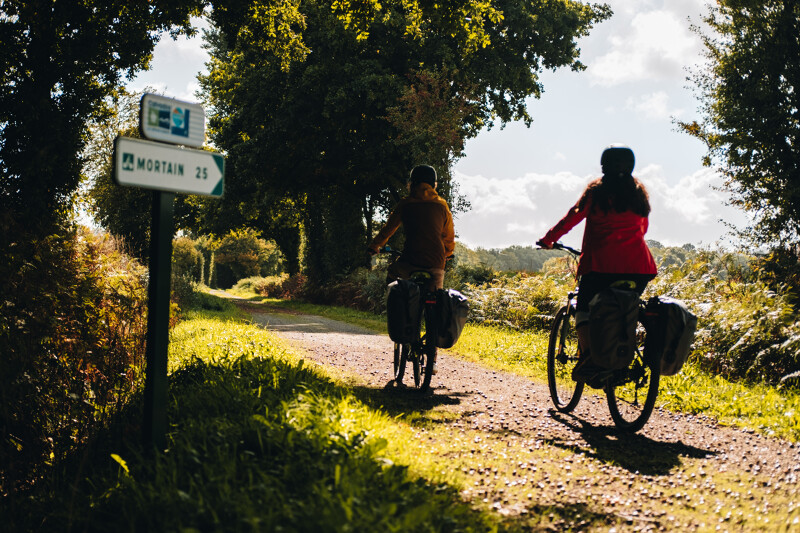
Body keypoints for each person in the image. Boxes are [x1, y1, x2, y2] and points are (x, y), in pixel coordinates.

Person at [537, 144, 657, 381]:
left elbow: (573, 217)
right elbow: (642, 228)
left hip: (601, 266)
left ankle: (590, 357)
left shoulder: (597, 192)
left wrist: (549, 239)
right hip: (639, 268)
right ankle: (621, 356)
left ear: (604, 165)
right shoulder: (638, 193)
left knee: (583, 307)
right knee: (626, 309)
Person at [368, 165, 455, 292]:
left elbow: (389, 229)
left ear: (412, 183)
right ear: (434, 184)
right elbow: (449, 236)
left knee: (392, 273)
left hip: (410, 261)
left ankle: (395, 304)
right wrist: (448, 253)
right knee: (436, 295)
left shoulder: (405, 204)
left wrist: (375, 245)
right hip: (436, 262)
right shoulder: (442, 205)